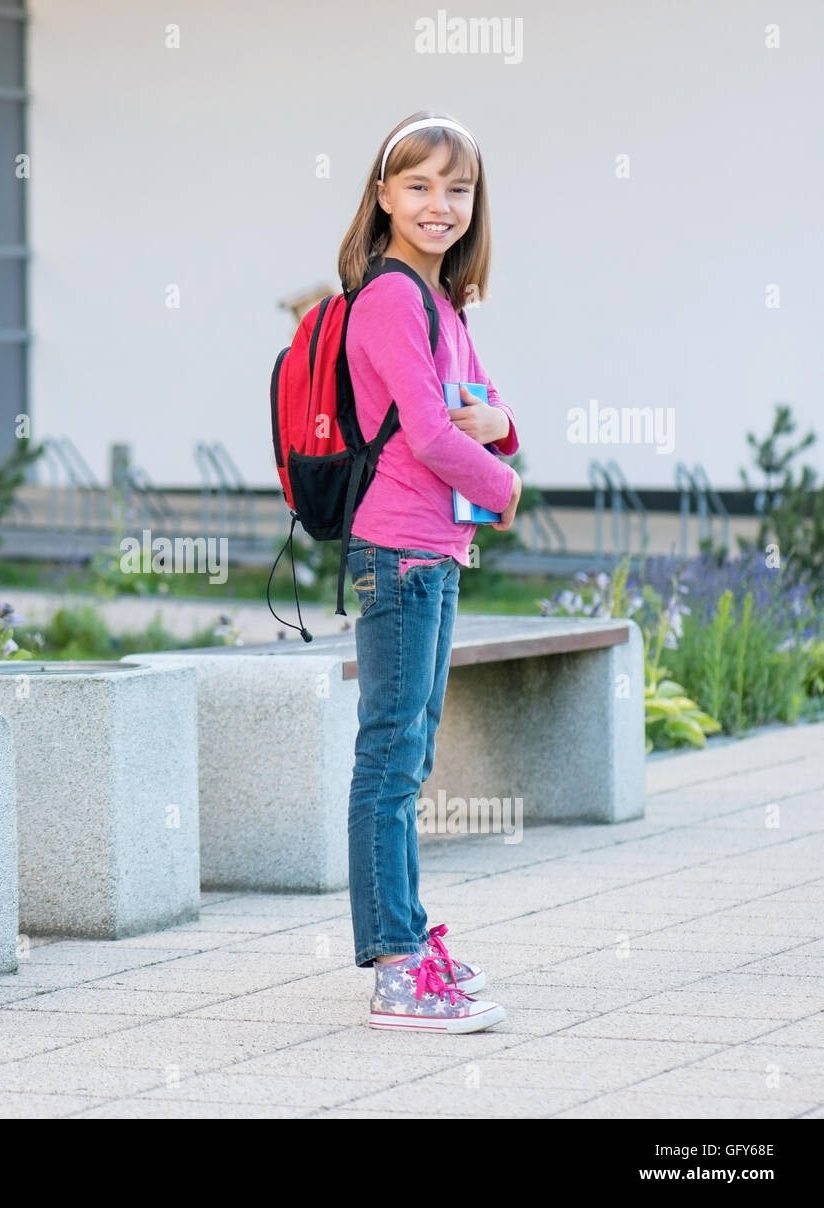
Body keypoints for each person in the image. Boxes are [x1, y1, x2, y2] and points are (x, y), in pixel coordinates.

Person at [337, 112, 522, 1033]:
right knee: (388, 759)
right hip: (398, 552)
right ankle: (395, 969)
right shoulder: (386, 299)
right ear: (383, 197)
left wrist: (498, 439)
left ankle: (410, 937)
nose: (439, 204)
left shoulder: (444, 302)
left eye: (457, 189)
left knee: (411, 755)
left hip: (436, 551)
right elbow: (434, 430)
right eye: (419, 186)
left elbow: (485, 404)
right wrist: (506, 484)